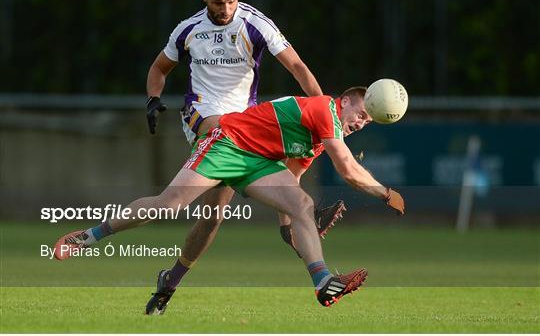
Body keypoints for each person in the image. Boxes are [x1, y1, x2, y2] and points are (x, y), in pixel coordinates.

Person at [54, 86, 405, 312]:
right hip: (228, 143)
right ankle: (89, 236)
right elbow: (347, 169)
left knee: (302, 205)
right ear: (342, 102)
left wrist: (292, 232)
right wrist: (385, 194)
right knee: (170, 204)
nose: (361, 122)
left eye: (367, 121)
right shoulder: (322, 110)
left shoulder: (313, 141)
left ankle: (322, 281)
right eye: (360, 113)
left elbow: (292, 186)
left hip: (257, 164)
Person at [145, 0, 344, 288]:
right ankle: (287, 219)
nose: (226, 9)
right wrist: (153, 99)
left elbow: (296, 65)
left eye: (232, 1)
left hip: (247, 123)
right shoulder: (188, 30)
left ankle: (171, 280)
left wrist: (322, 112)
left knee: (212, 217)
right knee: (222, 128)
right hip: (202, 114)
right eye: (218, 3)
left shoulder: (255, 23)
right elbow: (159, 67)